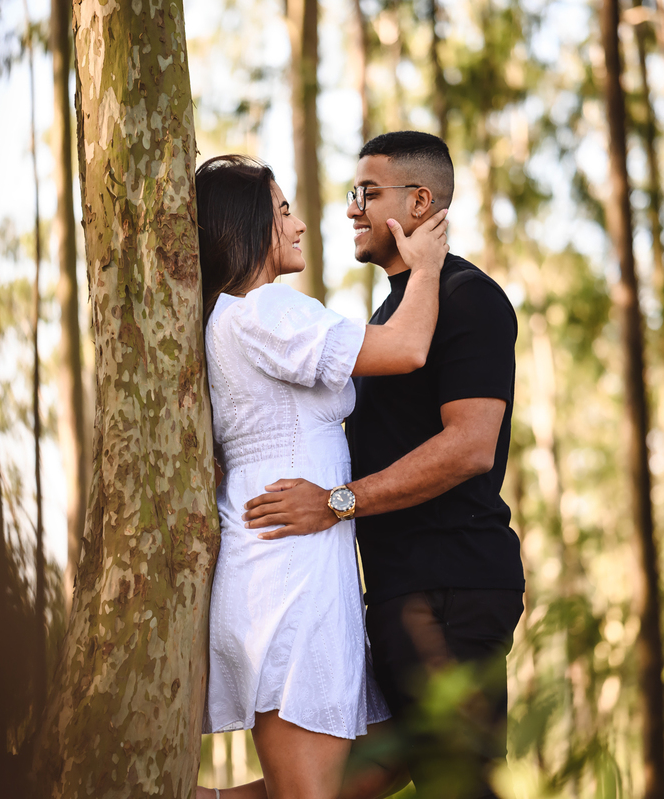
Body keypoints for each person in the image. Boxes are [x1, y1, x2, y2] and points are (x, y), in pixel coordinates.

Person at [241, 131, 525, 799]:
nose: (350, 209)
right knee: (382, 763)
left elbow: (470, 445)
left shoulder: (467, 299)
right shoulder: (396, 317)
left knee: (456, 783)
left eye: (368, 193)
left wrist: (336, 501)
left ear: (421, 202)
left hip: (451, 588)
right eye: (353, 194)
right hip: (400, 591)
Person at [194, 154, 449, 799]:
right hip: (289, 574)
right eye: (282, 212)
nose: (300, 225)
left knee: (387, 757)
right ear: (246, 228)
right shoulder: (266, 311)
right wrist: (425, 268)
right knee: (313, 791)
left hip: (295, 563)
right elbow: (409, 347)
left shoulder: (235, 321)